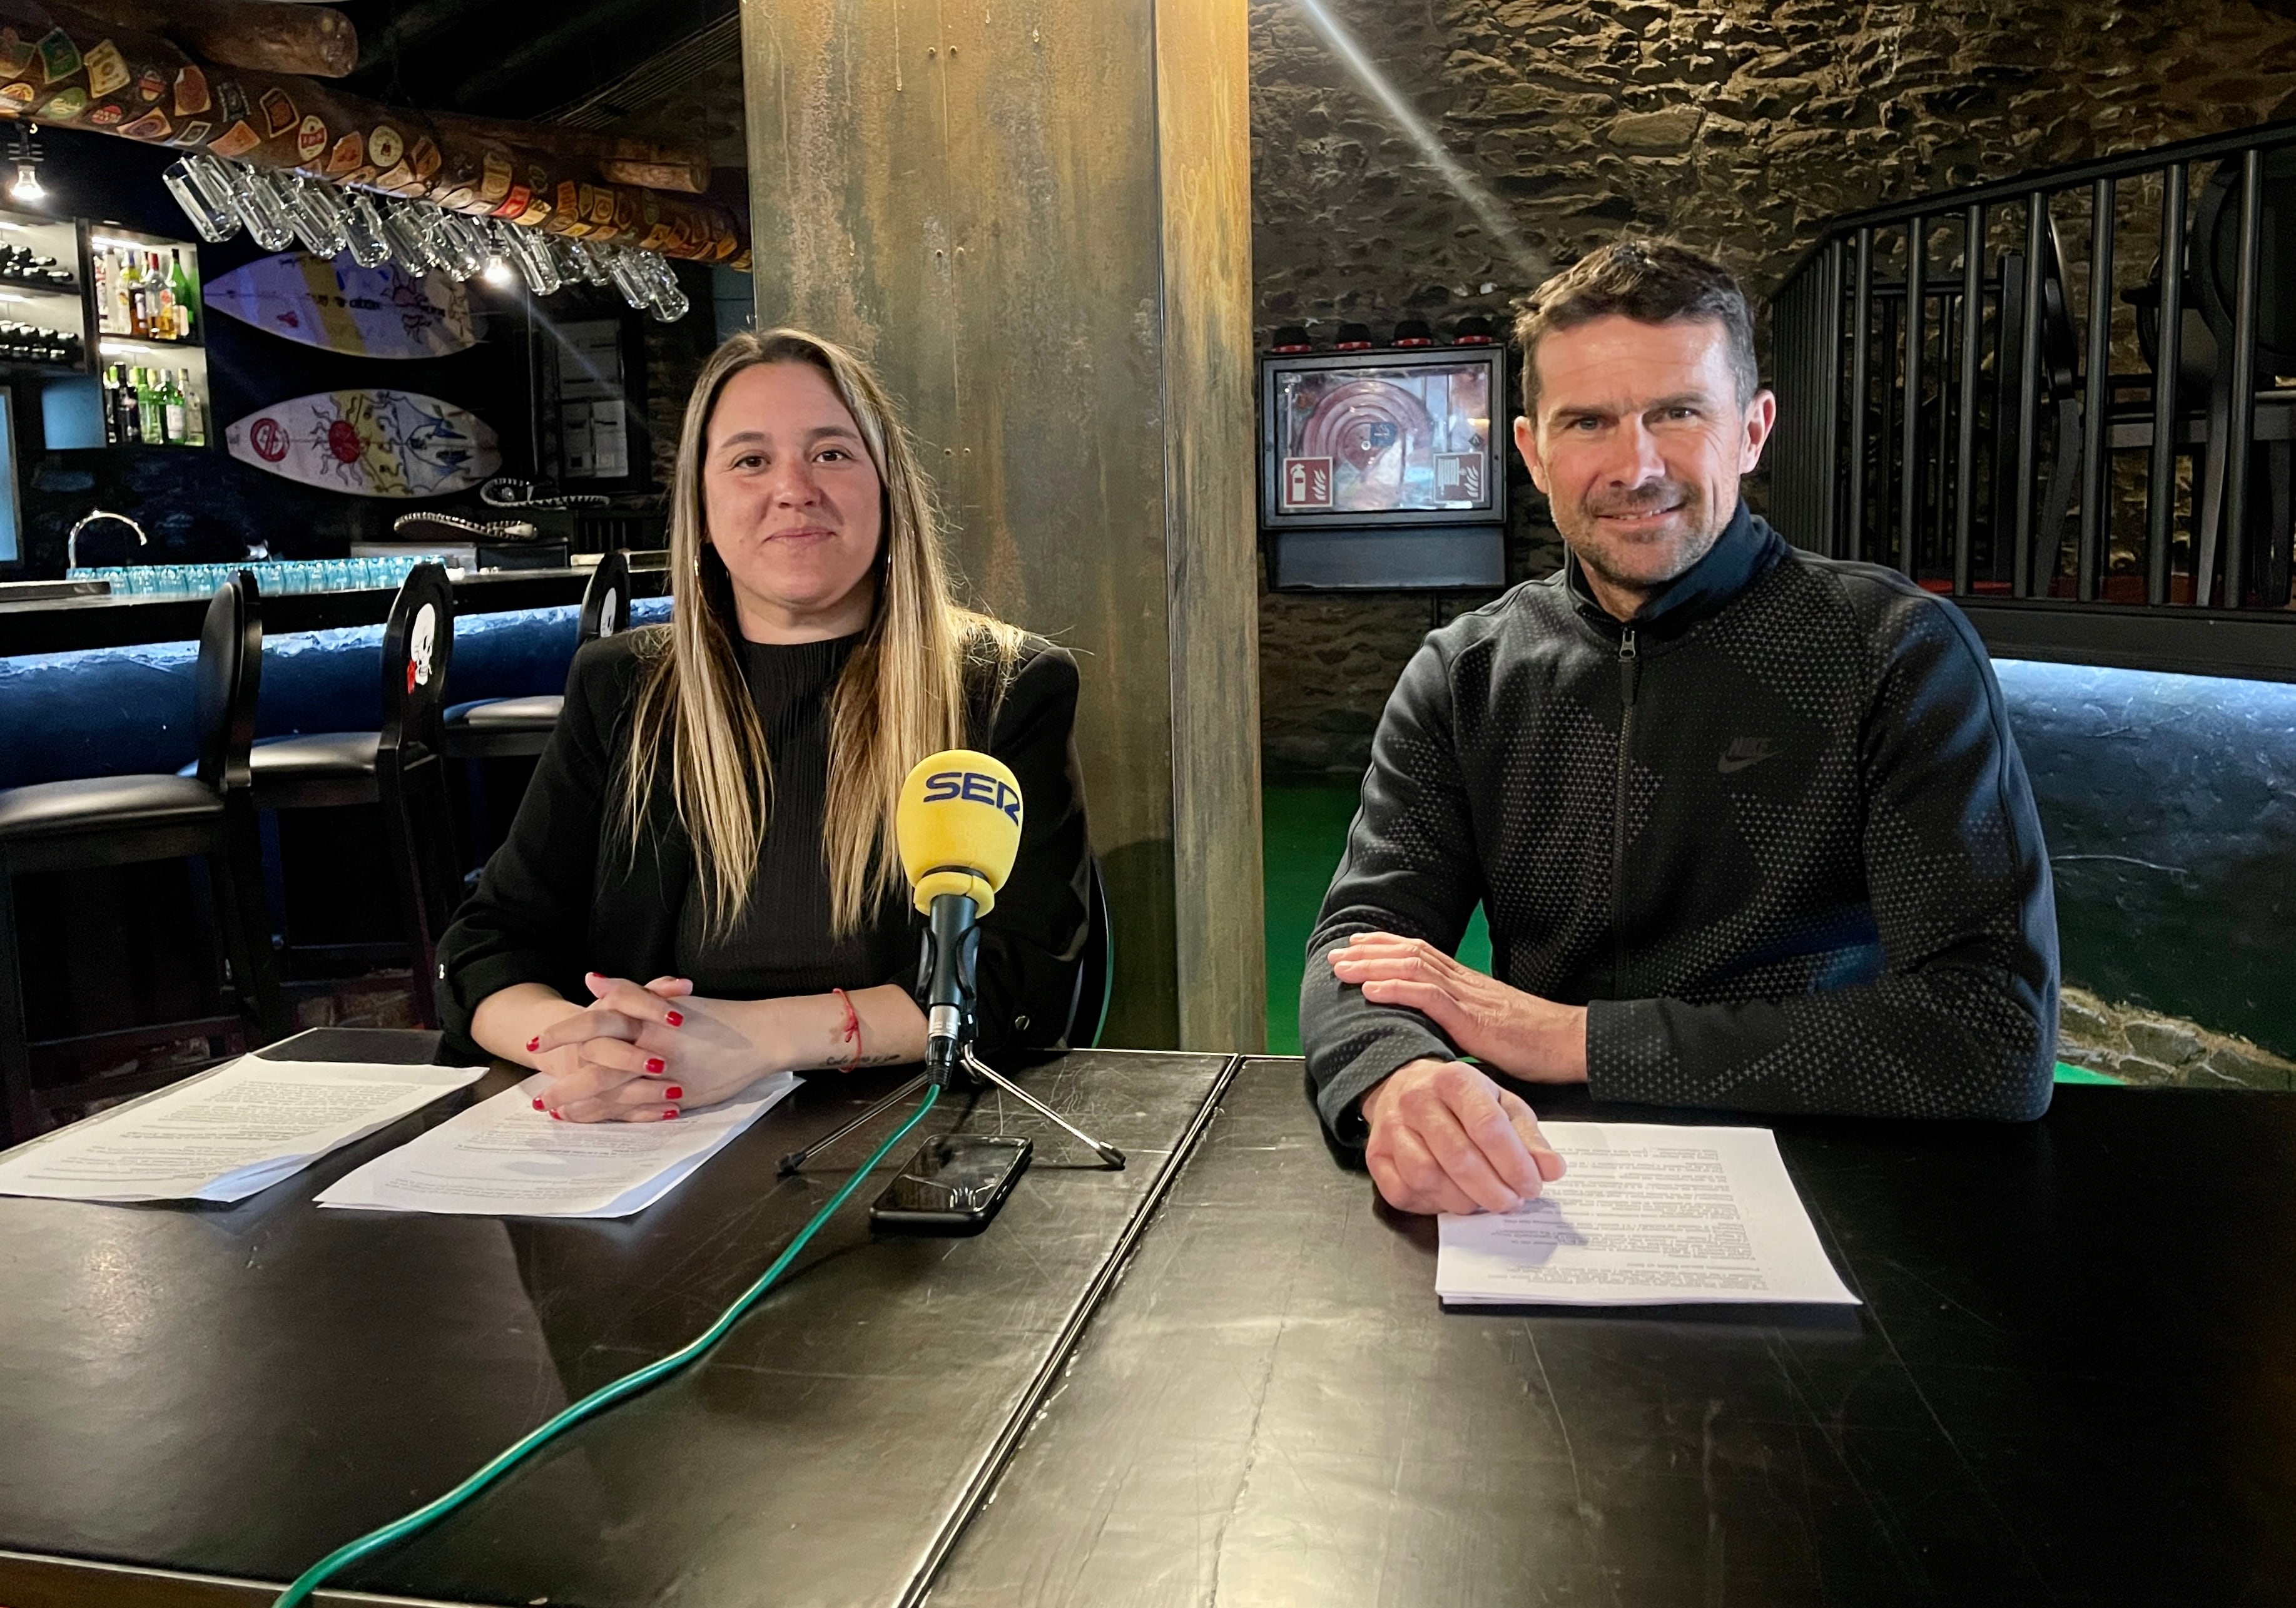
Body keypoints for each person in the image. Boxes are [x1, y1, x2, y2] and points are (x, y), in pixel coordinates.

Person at [1301, 241, 2059, 1217]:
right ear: (1532, 451)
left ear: (1751, 428)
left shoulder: (1893, 652)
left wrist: (1574, 1040)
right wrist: (1396, 1079)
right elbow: (1363, 940)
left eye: (1676, 412)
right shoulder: (1466, 674)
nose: (1635, 464)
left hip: (1839, 1188)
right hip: (1540, 1192)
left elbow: (1989, 1029)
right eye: (1589, 422)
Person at [439, 328, 1091, 1121]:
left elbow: (1026, 983)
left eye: (831, 454)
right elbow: (488, 945)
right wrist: (585, 1045)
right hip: (648, 1137)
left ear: (887, 489)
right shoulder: (622, 686)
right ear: (703, 508)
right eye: (750, 460)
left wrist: (753, 1038)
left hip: (901, 1134)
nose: (793, 488)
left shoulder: (1004, 686)